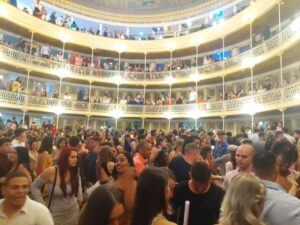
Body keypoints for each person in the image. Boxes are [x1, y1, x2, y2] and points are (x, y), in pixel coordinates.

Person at [31, 147, 82, 225]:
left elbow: (79, 189)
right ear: (64, 158)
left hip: (73, 212)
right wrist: (41, 204)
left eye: (76, 157)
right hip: (55, 214)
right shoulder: (52, 171)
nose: (76, 159)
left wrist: (79, 198)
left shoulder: (75, 171)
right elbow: (34, 186)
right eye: (72, 157)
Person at [253, 151, 300, 225]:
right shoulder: (294, 205)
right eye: (283, 161)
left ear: (252, 169)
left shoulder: (238, 195)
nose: (286, 164)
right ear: (276, 170)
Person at [111, 152, 137, 225]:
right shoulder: (112, 179)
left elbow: (129, 208)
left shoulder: (133, 183)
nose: (118, 163)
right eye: (116, 161)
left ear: (129, 163)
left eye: (122, 160)